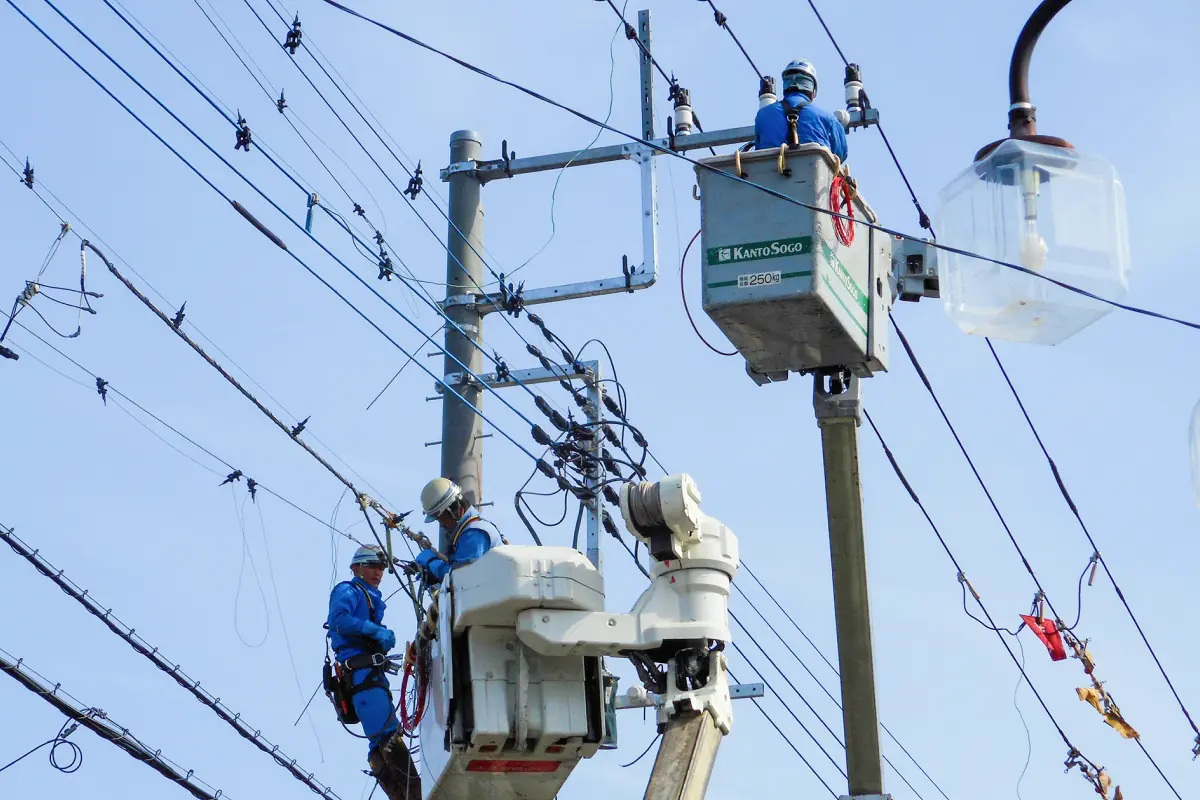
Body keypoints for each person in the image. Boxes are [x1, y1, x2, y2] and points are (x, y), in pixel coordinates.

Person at [327, 545, 419, 799]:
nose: (378, 573)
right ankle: (414, 793)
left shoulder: (370, 600)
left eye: (381, 568)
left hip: (371, 675)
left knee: (383, 736)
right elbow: (339, 620)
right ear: (357, 568)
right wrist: (374, 631)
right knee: (386, 735)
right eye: (372, 567)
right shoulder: (349, 590)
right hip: (361, 676)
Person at [754, 59, 848, 162]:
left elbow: (759, 151)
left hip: (768, 175)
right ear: (813, 91)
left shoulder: (763, 116)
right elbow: (839, 157)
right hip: (814, 175)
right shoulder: (828, 119)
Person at [414, 478, 505, 583]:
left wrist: (431, 562)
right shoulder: (470, 530)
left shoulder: (474, 533)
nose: (442, 525)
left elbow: (461, 577)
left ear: (453, 511)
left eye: (441, 519)